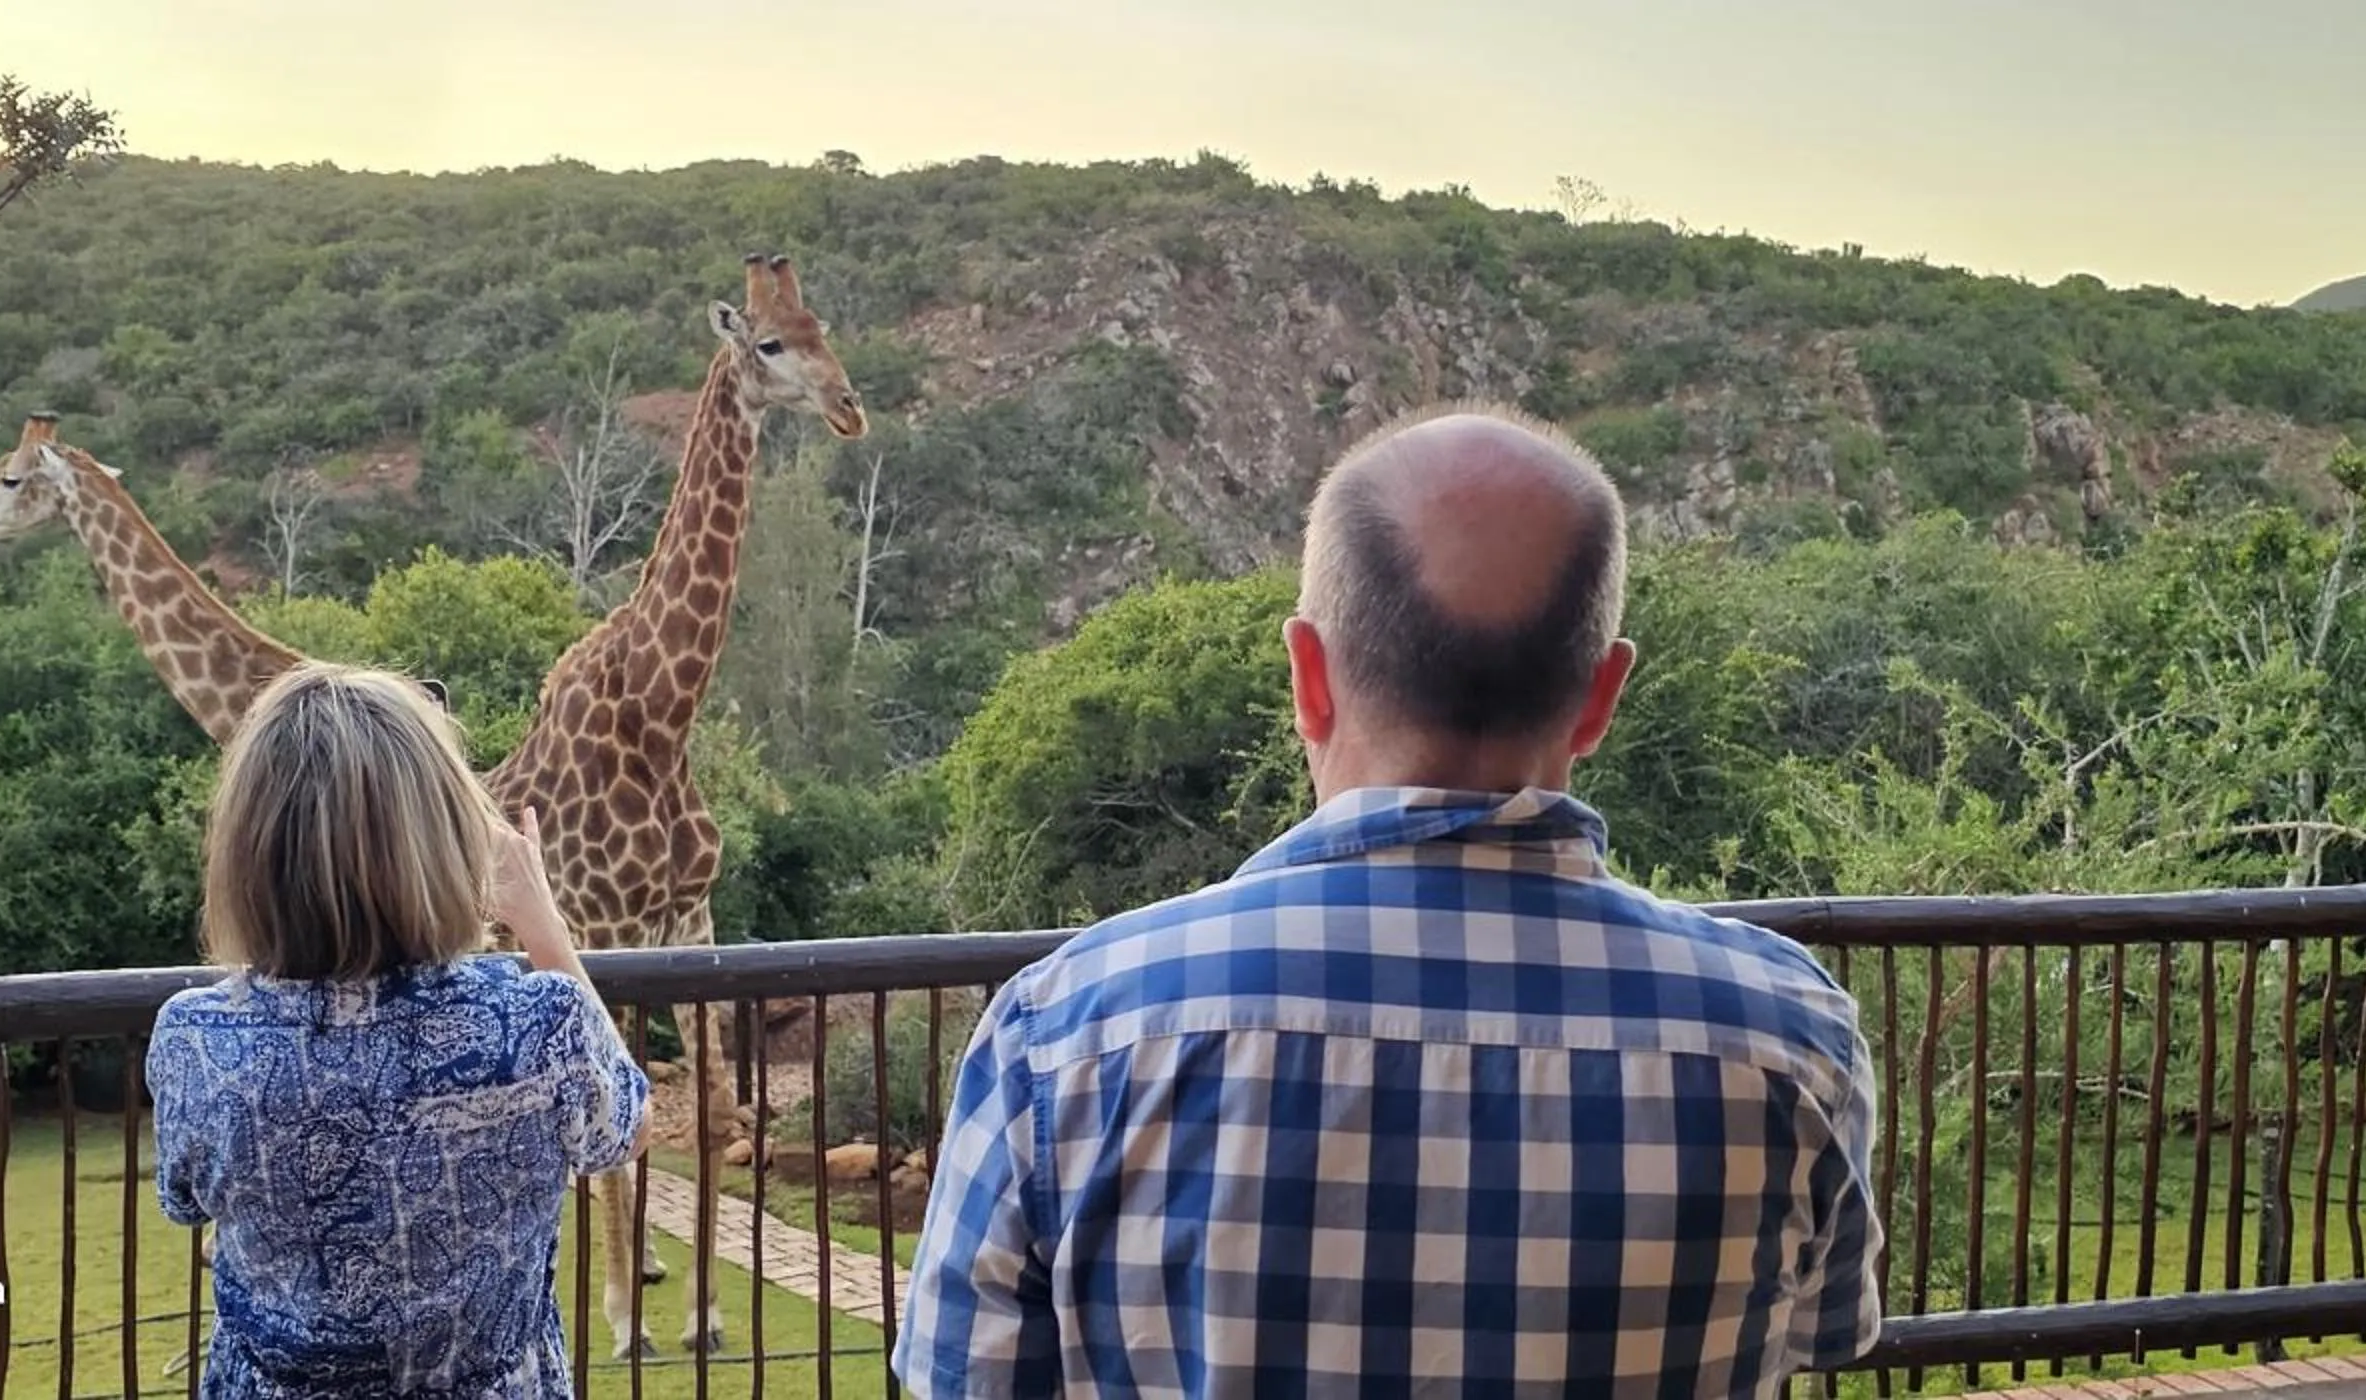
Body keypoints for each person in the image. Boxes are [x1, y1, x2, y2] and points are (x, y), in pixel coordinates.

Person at [894, 402, 1884, 1397]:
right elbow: (1827, 1331)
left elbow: (965, 1376)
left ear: (1307, 677)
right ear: (1600, 696)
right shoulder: (1788, 1038)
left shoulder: (1064, 1033)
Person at [146, 660, 647, 1397]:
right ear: (444, 839)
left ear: (250, 853)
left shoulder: (196, 1040)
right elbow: (624, 1130)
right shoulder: (538, 1023)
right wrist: (542, 922)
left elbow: (184, 1199)